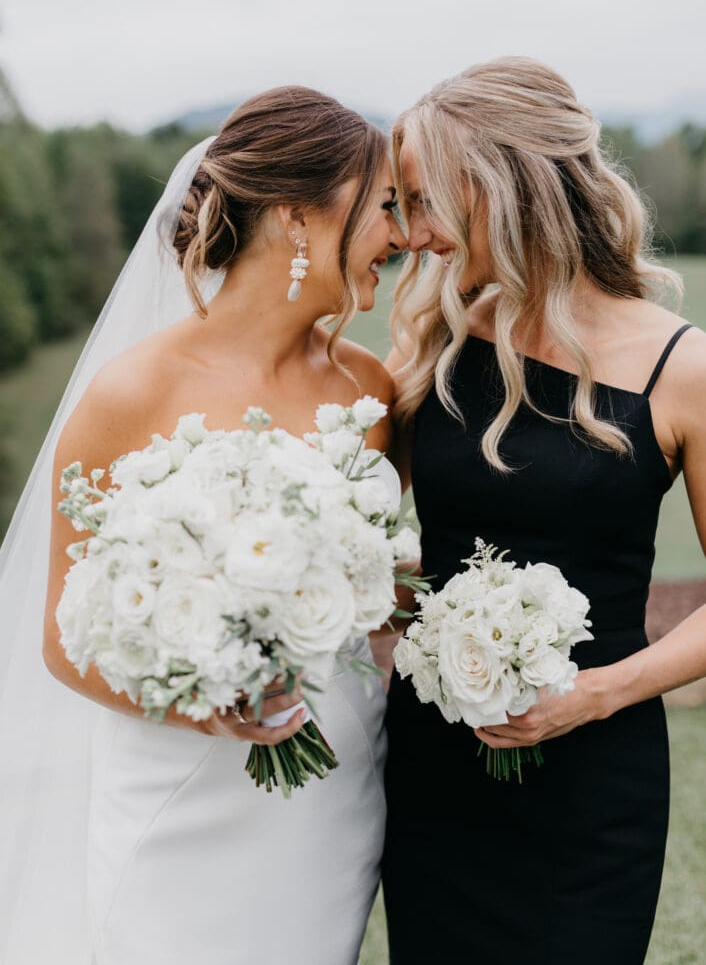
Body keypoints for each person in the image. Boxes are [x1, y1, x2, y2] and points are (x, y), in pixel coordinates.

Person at [0, 86, 407, 965]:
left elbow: (381, 595)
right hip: (176, 795)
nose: (403, 236)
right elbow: (63, 642)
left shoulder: (372, 393)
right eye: (384, 207)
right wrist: (204, 706)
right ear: (300, 217)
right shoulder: (132, 391)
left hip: (329, 795)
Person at [381, 57, 706, 965]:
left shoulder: (681, 369)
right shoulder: (441, 340)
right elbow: (358, 523)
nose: (415, 235)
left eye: (425, 200)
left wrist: (591, 697)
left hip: (594, 787)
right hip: (436, 771)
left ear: (505, 187)